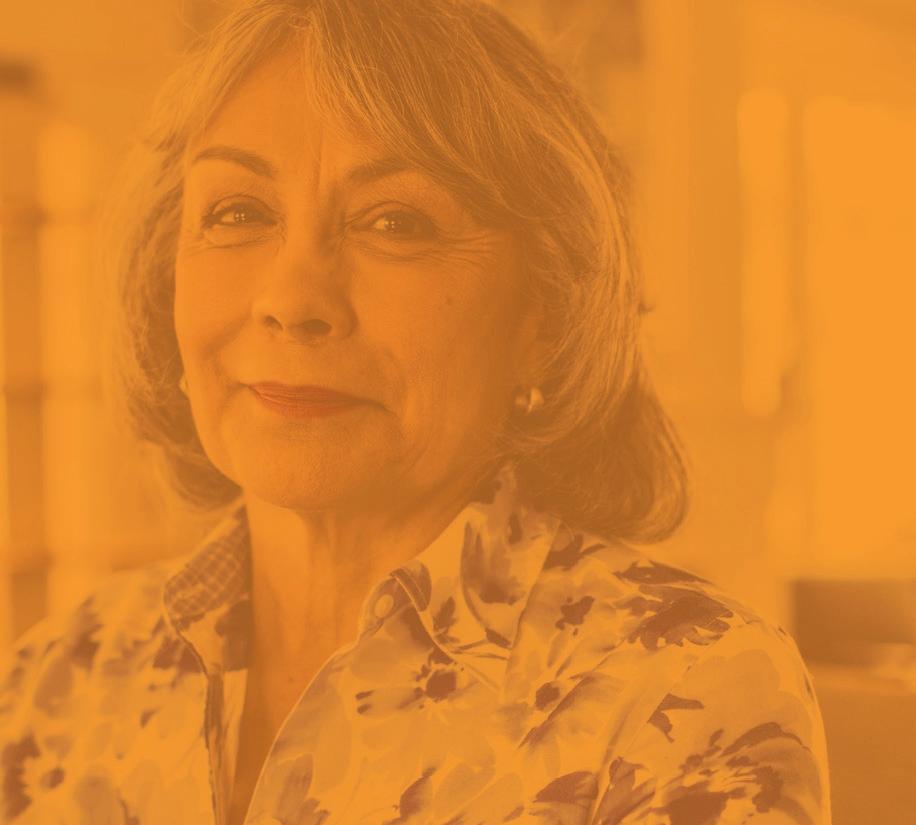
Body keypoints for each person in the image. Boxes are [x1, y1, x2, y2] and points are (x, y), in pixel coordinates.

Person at [0, 0, 831, 822]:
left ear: (544, 316)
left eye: (394, 221)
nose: (292, 299)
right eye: (238, 212)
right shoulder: (56, 683)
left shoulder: (685, 692)